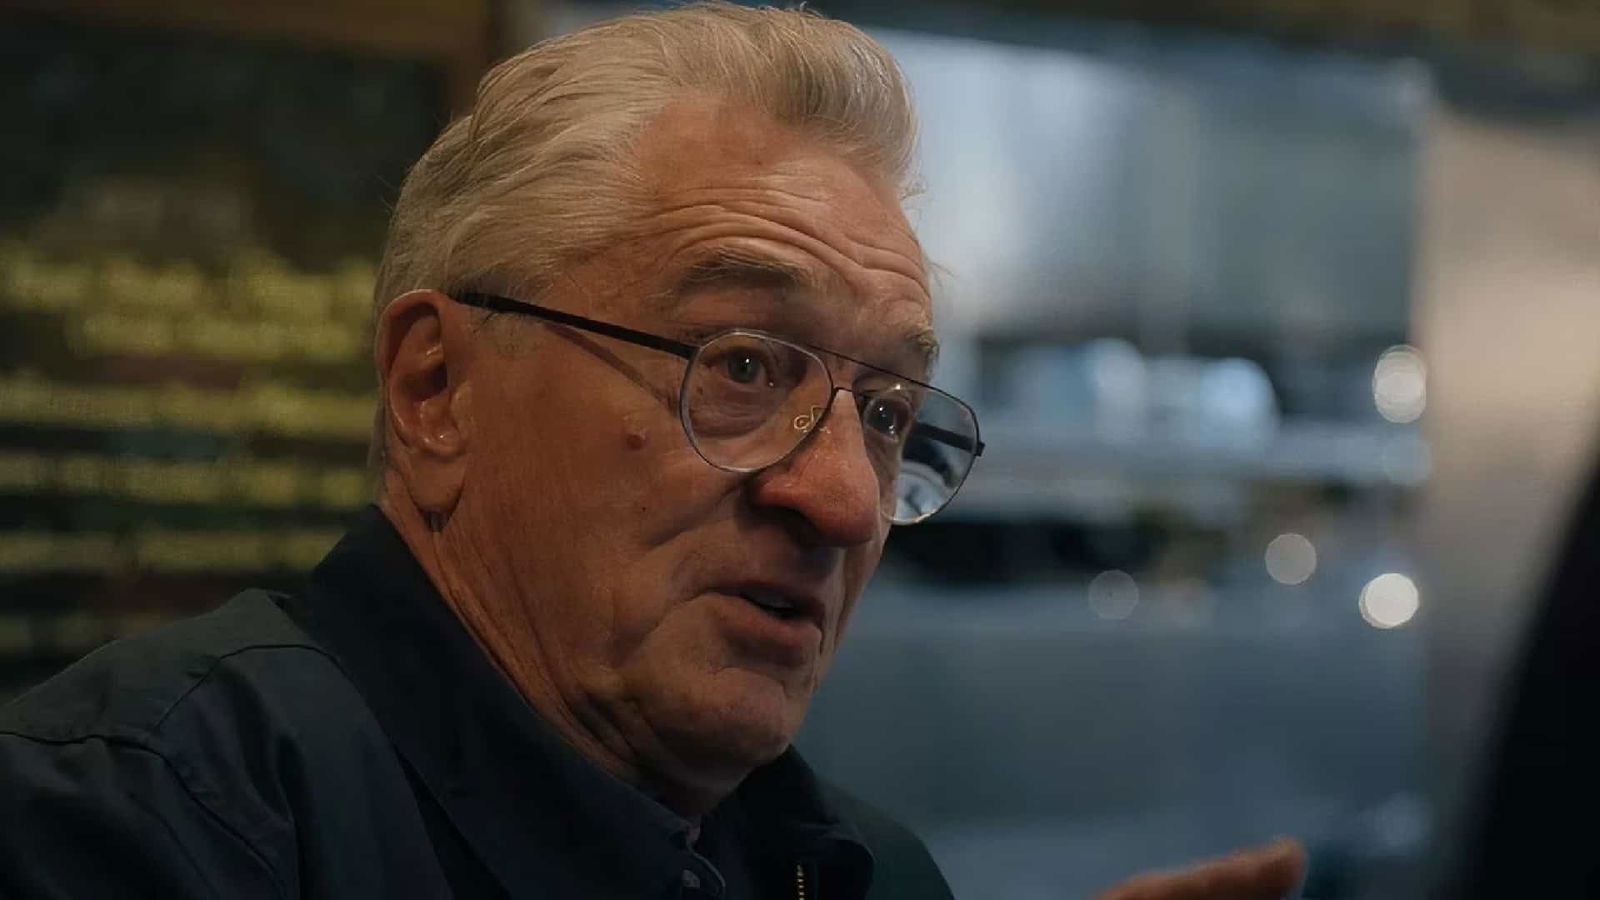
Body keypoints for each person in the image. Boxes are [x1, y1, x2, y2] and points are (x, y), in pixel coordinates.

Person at [0, 5, 1304, 897]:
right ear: (438, 388)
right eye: (742, 367)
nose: (846, 504)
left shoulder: (856, 868)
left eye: (886, 413)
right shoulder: (146, 821)